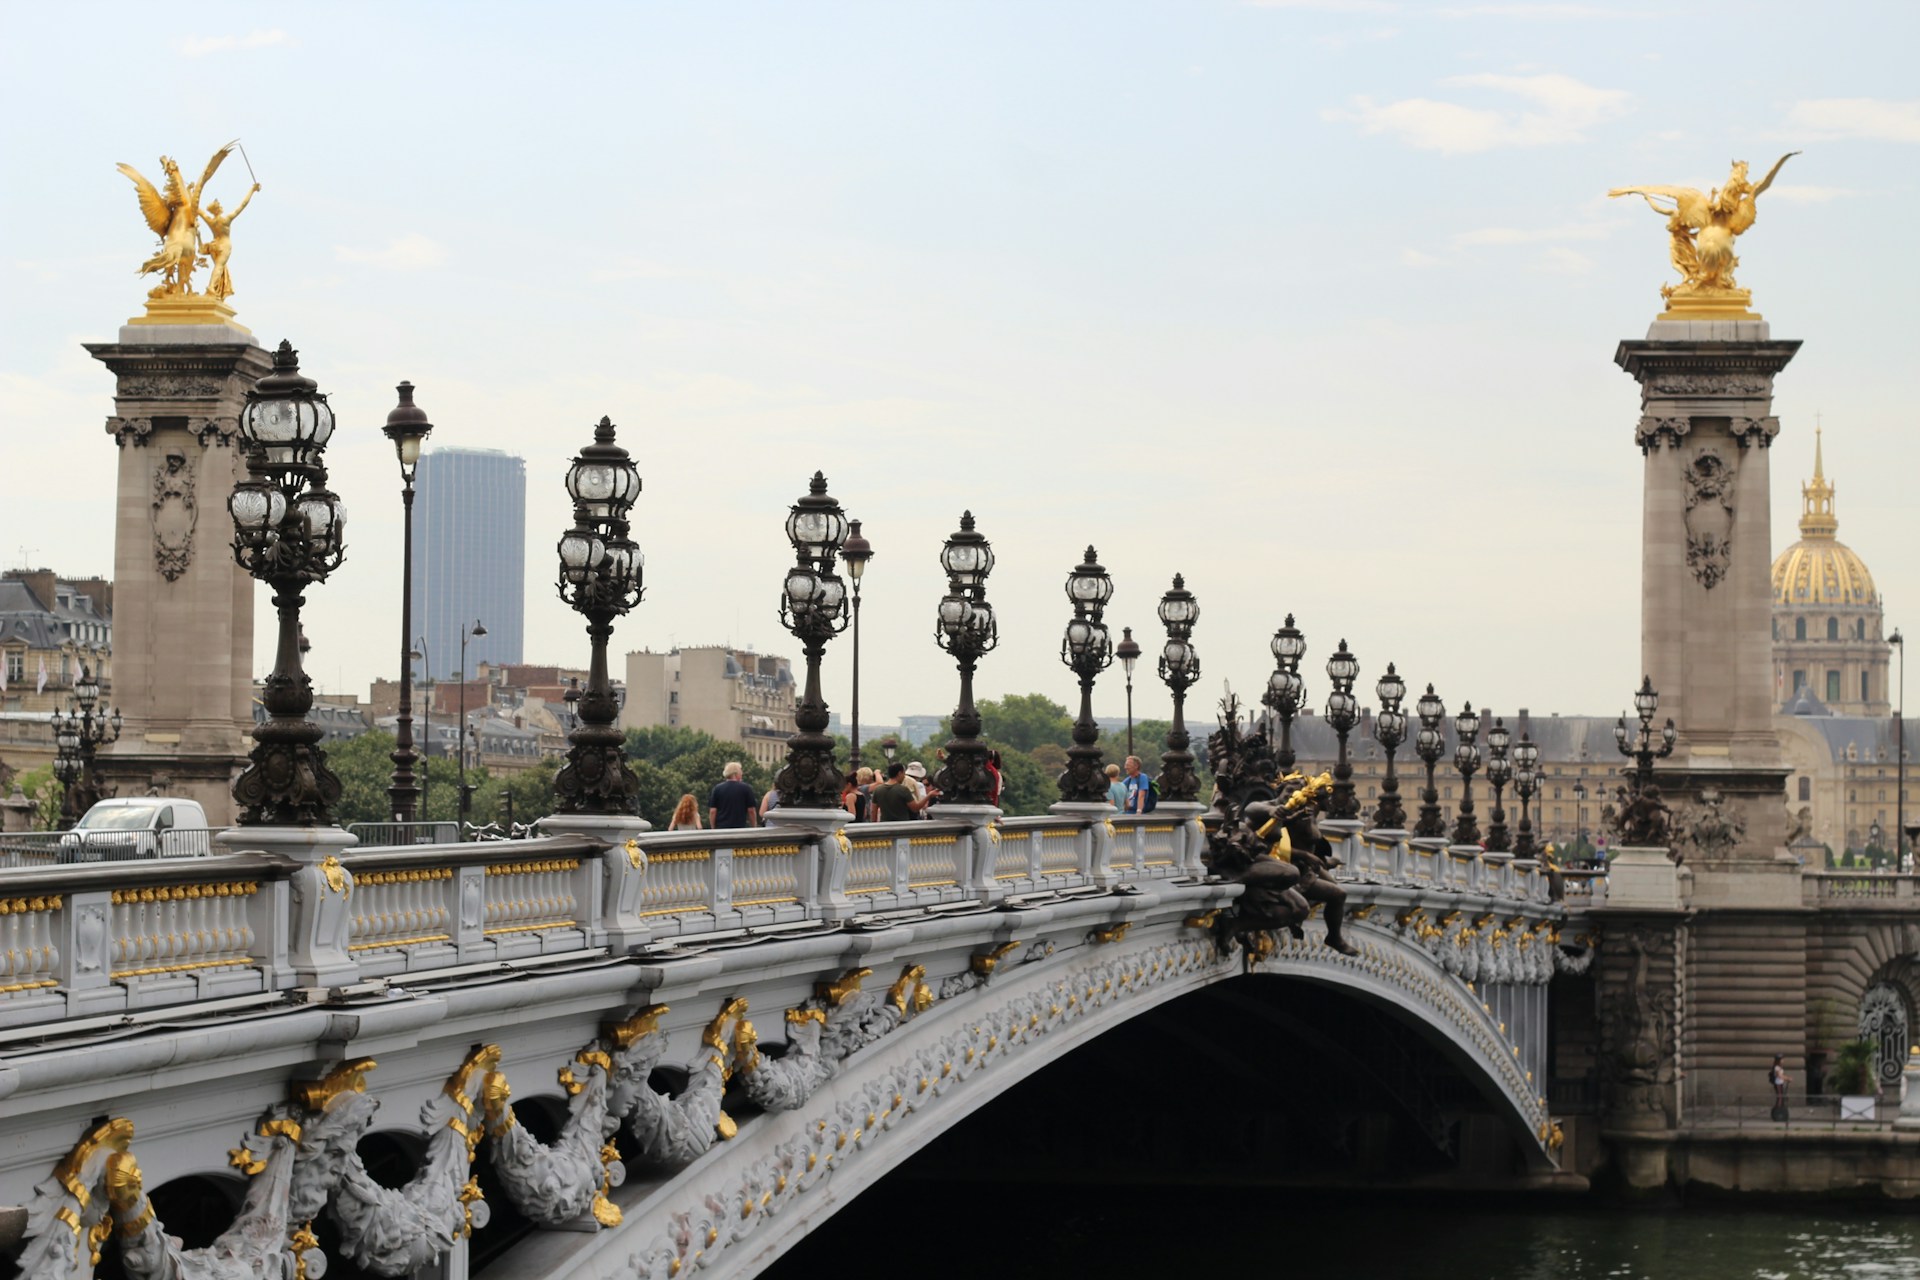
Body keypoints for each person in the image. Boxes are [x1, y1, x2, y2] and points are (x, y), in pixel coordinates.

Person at [708, 761, 759, 829]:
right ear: (736, 773)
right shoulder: (746, 788)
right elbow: (751, 810)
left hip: (721, 828)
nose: (742, 774)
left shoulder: (717, 789)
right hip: (739, 828)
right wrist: (754, 826)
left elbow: (713, 811)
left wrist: (713, 827)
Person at [1769, 1054, 1790, 1122]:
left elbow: (1782, 1075)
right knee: (1780, 1097)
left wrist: (1787, 1078)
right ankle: (1778, 1109)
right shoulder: (1776, 1067)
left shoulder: (1780, 1067)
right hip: (1778, 1084)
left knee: (1781, 1097)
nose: (1783, 1060)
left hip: (1780, 1084)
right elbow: (1779, 1076)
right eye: (1782, 1059)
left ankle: (1780, 1108)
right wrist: (1787, 1078)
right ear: (1779, 1060)